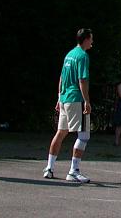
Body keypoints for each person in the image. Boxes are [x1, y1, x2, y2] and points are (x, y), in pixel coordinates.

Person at [43, 28, 93, 183]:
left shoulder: (69, 54)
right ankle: (74, 171)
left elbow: (61, 77)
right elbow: (82, 80)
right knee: (84, 135)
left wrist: (59, 97)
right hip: (76, 98)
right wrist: (87, 101)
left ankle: (49, 168)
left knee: (61, 133)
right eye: (91, 39)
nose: (92, 42)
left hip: (65, 98)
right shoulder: (83, 56)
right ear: (86, 39)